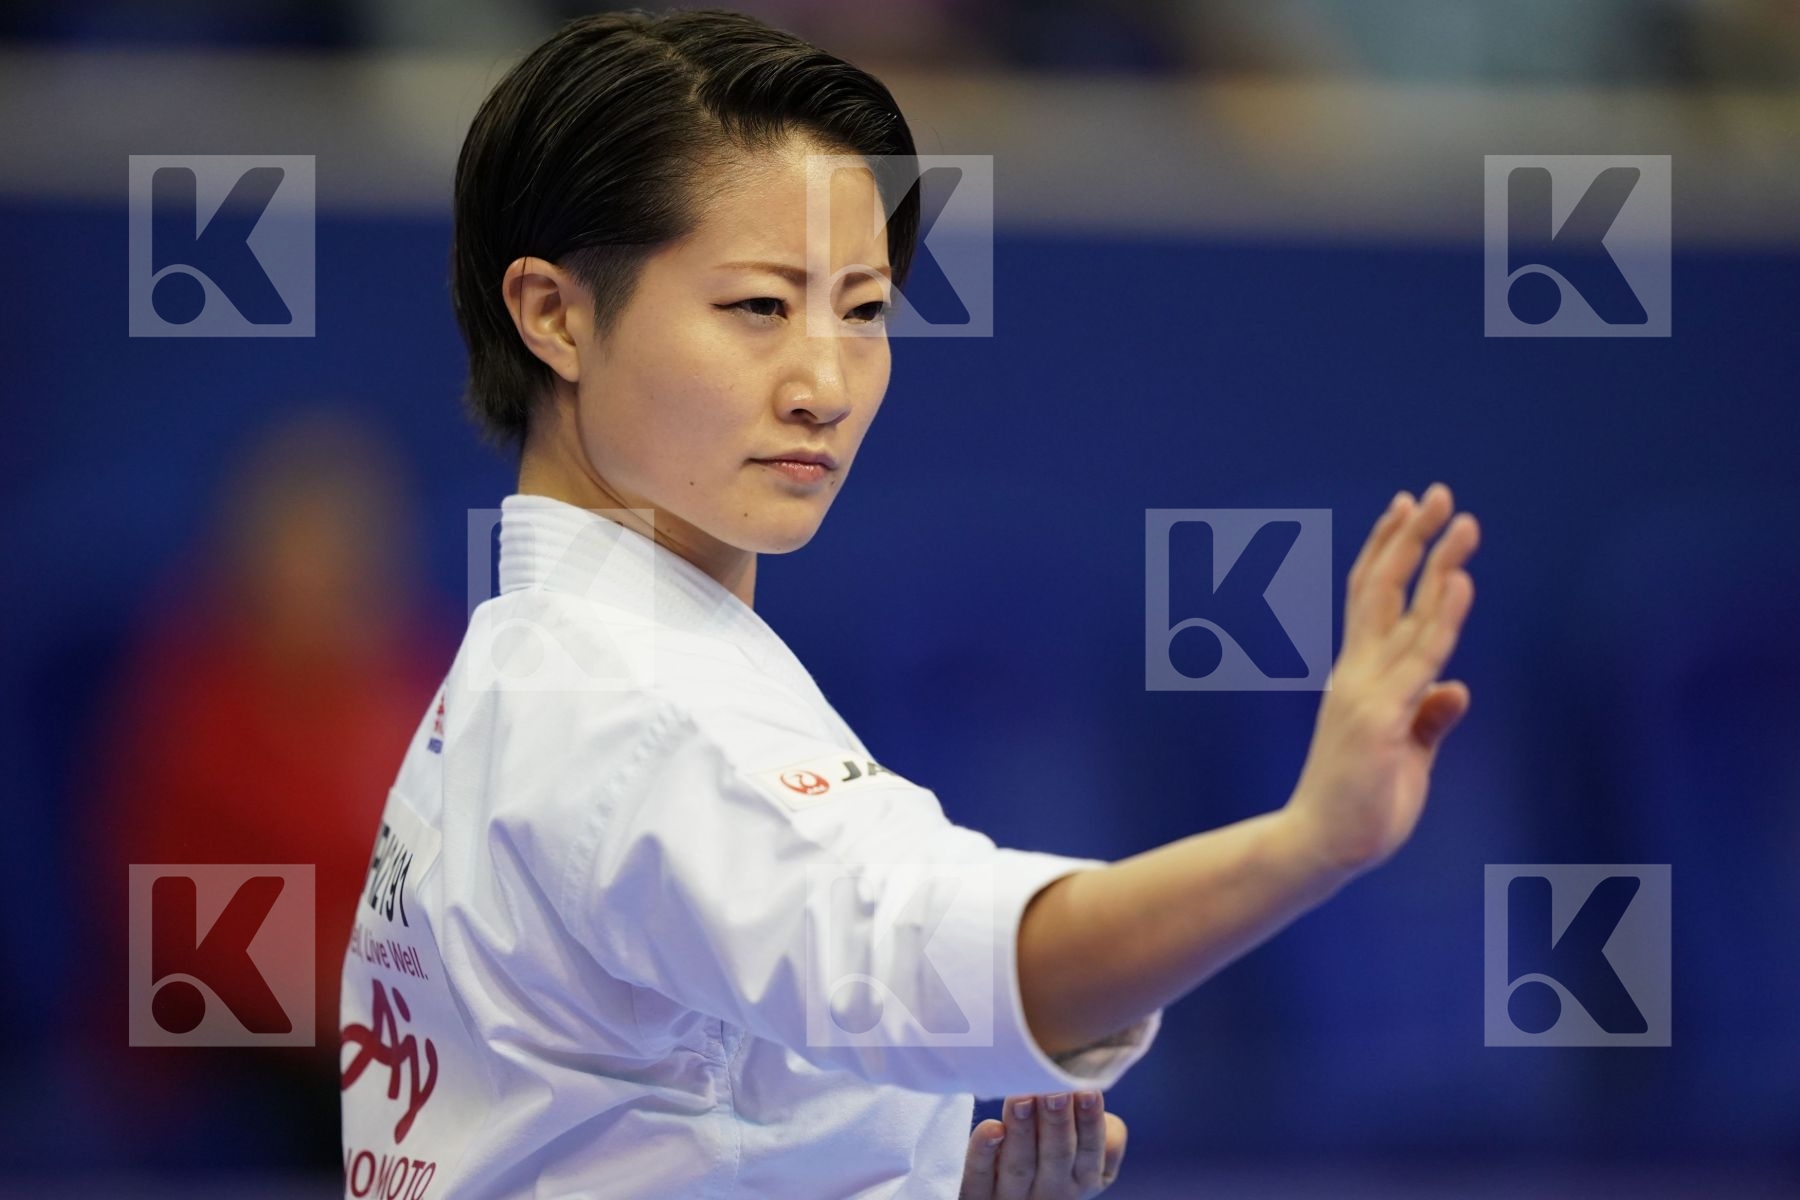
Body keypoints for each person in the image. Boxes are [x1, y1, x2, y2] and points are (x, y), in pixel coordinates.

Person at [338, 10, 1480, 1199]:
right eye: (759, 308)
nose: (825, 385)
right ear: (554, 315)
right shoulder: (630, 706)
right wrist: (1306, 847)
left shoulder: (532, 670)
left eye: (864, 310)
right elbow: (929, 954)